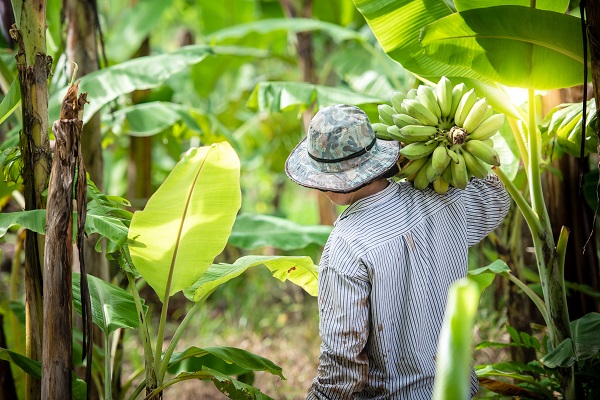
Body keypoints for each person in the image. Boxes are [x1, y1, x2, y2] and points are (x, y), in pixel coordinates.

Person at [284, 104, 511, 399]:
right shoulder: (445, 199)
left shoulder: (346, 244)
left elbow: (342, 368)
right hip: (458, 391)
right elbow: (498, 196)